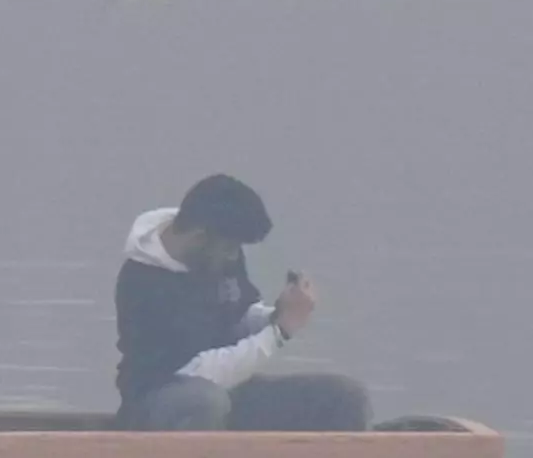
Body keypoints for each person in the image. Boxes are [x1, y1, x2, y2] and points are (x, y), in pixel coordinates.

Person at [116, 172, 371, 430]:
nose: (234, 257)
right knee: (205, 401)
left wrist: (276, 314)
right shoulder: (144, 283)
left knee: (344, 397)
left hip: (230, 391)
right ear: (199, 237)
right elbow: (200, 371)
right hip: (161, 401)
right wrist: (280, 331)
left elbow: (237, 316)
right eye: (230, 247)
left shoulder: (214, 254)